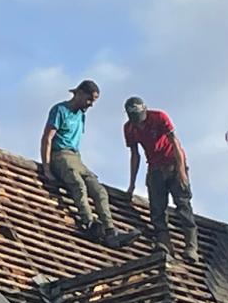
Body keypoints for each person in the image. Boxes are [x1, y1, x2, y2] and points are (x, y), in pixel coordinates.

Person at [39, 80, 138, 248]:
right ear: (79, 93)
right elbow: (47, 138)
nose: (91, 104)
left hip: (76, 157)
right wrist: (47, 168)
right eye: (89, 99)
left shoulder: (81, 115)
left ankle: (110, 230)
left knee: (99, 190)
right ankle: (89, 223)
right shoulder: (60, 110)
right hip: (60, 154)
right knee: (78, 184)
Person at [123, 97, 198, 262]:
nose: (139, 123)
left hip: (173, 162)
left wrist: (181, 171)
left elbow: (175, 142)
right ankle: (164, 242)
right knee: (157, 208)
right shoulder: (129, 128)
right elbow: (135, 155)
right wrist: (131, 184)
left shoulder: (159, 117)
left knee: (183, 204)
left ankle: (191, 246)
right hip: (155, 168)